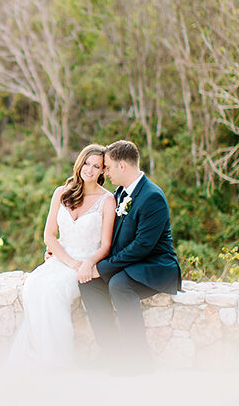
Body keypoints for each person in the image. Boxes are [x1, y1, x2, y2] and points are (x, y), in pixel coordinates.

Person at [77, 140, 182, 374]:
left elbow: (142, 246)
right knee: (87, 282)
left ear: (122, 166)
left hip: (156, 266)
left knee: (119, 285)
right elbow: (105, 234)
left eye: (107, 167)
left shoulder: (152, 196)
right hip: (130, 263)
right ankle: (112, 353)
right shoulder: (120, 193)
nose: (105, 172)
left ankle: (140, 360)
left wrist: (103, 268)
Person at [8, 144, 116, 367]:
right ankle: (37, 355)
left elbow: (106, 245)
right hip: (61, 259)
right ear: (80, 163)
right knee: (33, 286)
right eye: (86, 163)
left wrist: (86, 264)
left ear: (103, 171)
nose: (89, 169)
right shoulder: (61, 192)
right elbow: (49, 236)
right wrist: (67, 261)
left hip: (86, 263)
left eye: (96, 166)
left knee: (53, 292)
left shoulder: (108, 200)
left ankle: (56, 360)